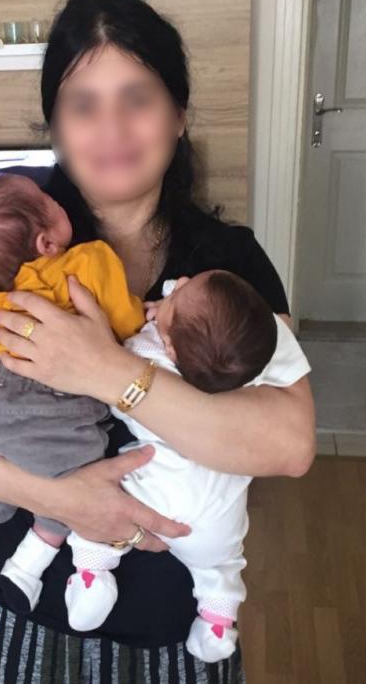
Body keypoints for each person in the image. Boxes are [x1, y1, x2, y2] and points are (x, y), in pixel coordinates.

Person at [0, 0, 316, 683]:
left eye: (137, 98)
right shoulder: (4, 245)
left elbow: (288, 444)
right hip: (13, 601)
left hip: (171, 625)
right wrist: (59, 499)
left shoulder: (226, 265)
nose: (112, 129)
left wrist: (110, 373)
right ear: (56, 125)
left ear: (179, 115)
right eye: (84, 105)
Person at [63, 272, 312, 666]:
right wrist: (171, 311)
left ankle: (93, 574)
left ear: (169, 347)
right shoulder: (251, 357)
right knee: (222, 565)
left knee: (99, 508)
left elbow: (109, 378)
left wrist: (153, 323)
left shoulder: (146, 353)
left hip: (154, 496)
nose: (178, 281)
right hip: (218, 523)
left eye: (179, 290)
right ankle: (217, 621)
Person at [0, 172, 145, 615]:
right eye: (47, 201)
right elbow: (125, 322)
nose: (54, 197)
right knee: (77, 475)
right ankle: (36, 558)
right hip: (54, 403)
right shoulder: (88, 261)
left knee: (1, 465)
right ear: (47, 243)